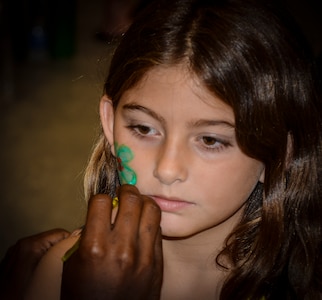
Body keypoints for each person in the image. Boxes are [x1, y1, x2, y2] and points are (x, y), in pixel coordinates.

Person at [19, 0, 322, 298]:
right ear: (110, 123)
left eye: (211, 140)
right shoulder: (63, 275)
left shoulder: (305, 285)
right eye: (144, 128)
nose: (166, 169)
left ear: (280, 153)